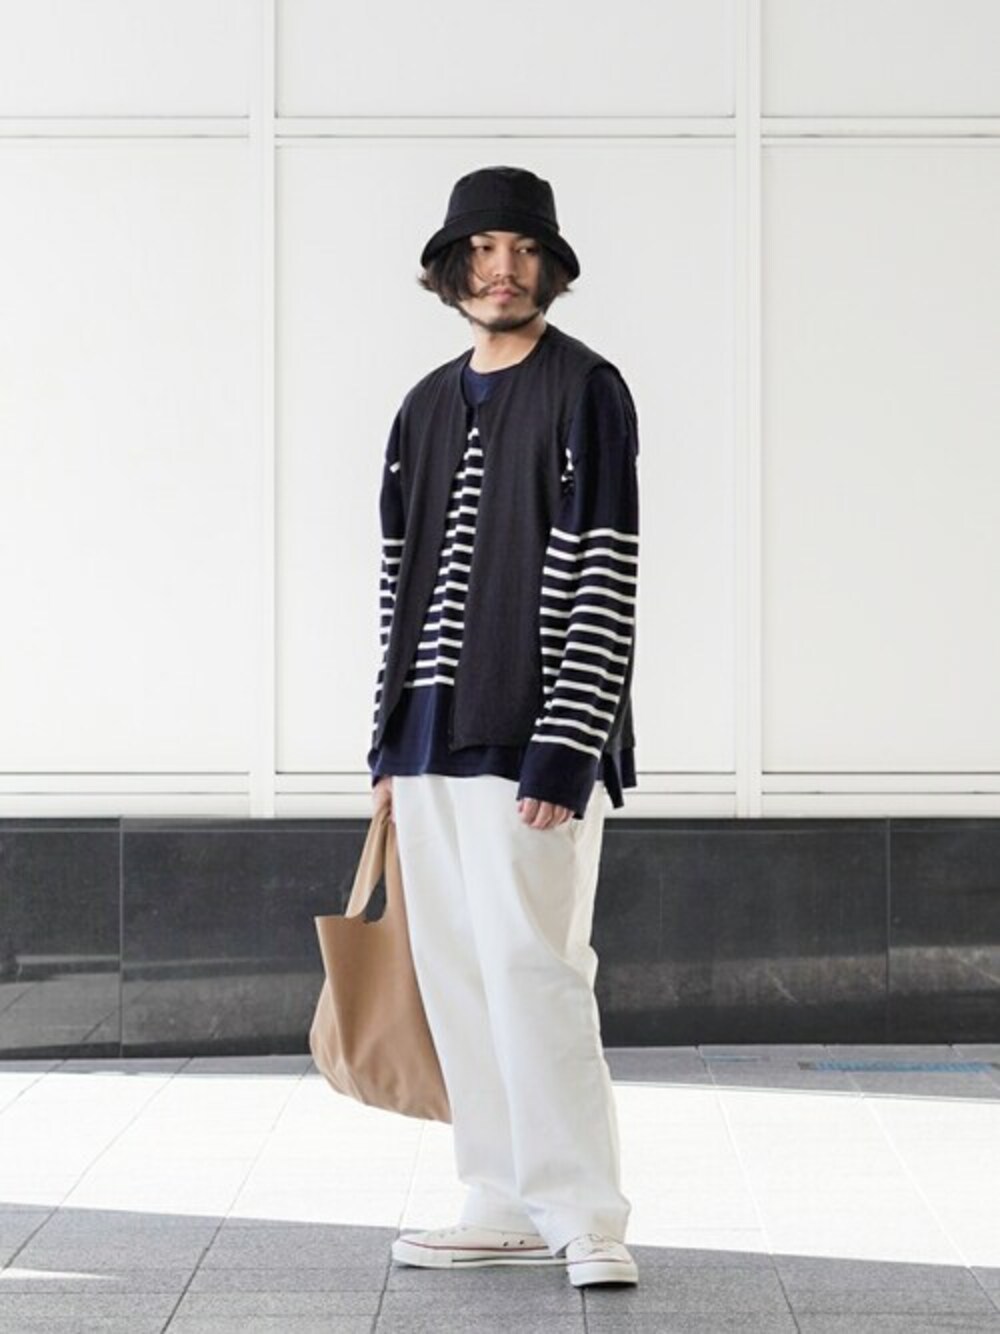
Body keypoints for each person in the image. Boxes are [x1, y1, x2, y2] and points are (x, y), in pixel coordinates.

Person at [367, 165, 640, 1288]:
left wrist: (568, 748)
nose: (502, 270)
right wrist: (385, 745)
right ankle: (497, 1193)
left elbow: (605, 573)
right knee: (459, 975)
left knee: (537, 971)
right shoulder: (423, 405)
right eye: (482, 250)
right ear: (451, 268)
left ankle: (582, 1212)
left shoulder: (588, 390)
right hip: (427, 738)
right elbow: (398, 582)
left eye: (522, 250)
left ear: (549, 267)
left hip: (531, 737)